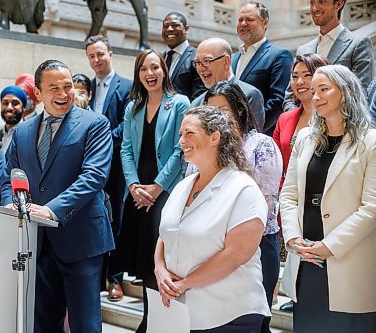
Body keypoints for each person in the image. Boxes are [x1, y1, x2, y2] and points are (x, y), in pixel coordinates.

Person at [0, 59, 114, 333]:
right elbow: (9, 176)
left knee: (84, 324)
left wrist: (51, 210)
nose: (64, 94)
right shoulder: (23, 131)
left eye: (67, 87)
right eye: (54, 88)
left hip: (80, 239)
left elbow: (94, 177)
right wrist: (10, 203)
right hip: (36, 242)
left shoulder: (95, 124)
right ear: (38, 93)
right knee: (43, 323)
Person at [154, 105, 270, 332]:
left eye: (189, 133)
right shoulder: (183, 186)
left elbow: (235, 255)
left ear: (214, 137)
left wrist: (185, 283)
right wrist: (160, 270)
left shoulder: (243, 189)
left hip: (230, 313)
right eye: (180, 135)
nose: (181, 141)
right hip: (182, 311)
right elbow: (166, 234)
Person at [280, 64, 376, 333]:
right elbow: (288, 195)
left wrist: (329, 245)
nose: (315, 97)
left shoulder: (371, 142)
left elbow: (372, 208)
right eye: (313, 91)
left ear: (345, 92)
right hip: (306, 258)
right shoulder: (304, 138)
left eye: (324, 89)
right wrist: (292, 238)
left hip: (347, 259)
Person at [187, 81, 281, 333]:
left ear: (239, 110)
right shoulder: (200, 150)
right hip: (207, 246)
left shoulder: (260, 145)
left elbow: (264, 201)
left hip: (256, 245)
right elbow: (189, 197)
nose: (216, 119)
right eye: (210, 112)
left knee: (253, 323)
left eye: (223, 111)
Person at [117, 49, 189, 332]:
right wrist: (134, 185)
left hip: (165, 193)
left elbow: (178, 150)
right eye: (144, 69)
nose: (150, 74)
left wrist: (157, 188)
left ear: (164, 71)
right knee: (144, 263)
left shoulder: (179, 103)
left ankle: (156, 322)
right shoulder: (132, 107)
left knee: (161, 262)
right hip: (137, 196)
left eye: (155, 67)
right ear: (138, 75)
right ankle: (150, 319)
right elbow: (125, 149)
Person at [273, 53, 330, 313]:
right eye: (295, 76)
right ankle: (298, 298)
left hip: (322, 196)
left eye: (307, 75)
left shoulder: (332, 118)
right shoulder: (286, 118)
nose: (300, 81)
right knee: (296, 248)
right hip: (290, 194)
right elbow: (276, 160)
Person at [85, 34, 133, 301]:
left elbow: (128, 125)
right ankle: (96, 276)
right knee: (94, 218)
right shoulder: (85, 87)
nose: (96, 60)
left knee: (116, 220)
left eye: (100, 54)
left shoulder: (126, 86)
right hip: (91, 166)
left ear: (110, 54)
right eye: (91, 56)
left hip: (115, 163)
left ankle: (115, 279)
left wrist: (102, 141)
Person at [283, 0, 373, 111]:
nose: (314, 8)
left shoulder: (358, 44)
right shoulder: (303, 50)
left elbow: (361, 95)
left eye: (321, 2)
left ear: (338, 4)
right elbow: (289, 97)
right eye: (312, 3)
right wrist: (299, 120)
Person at [231, 0, 293, 136]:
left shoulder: (279, 55)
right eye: (240, 19)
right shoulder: (232, 58)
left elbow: (277, 102)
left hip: (261, 136)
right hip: (231, 138)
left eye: (249, 19)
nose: (243, 24)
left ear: (265, 23)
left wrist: (248, 131)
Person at [191, 37, 265, 132]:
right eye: (197, 62)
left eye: (207, 61)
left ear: (226, 61)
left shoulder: (249, 94)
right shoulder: (197, 103)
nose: (201, 69)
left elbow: (253, 139)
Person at [161, 12, 205, 101]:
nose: (169, 29)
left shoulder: (197, 57)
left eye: (175, 25)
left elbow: (199, 97)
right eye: (165, 26)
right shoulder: (160, 58)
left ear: (186, 28)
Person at [0, 85, 28, 152]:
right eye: (5, 103)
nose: (9, 107)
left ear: (23, 108)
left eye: (15, 103)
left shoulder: (30, 136)